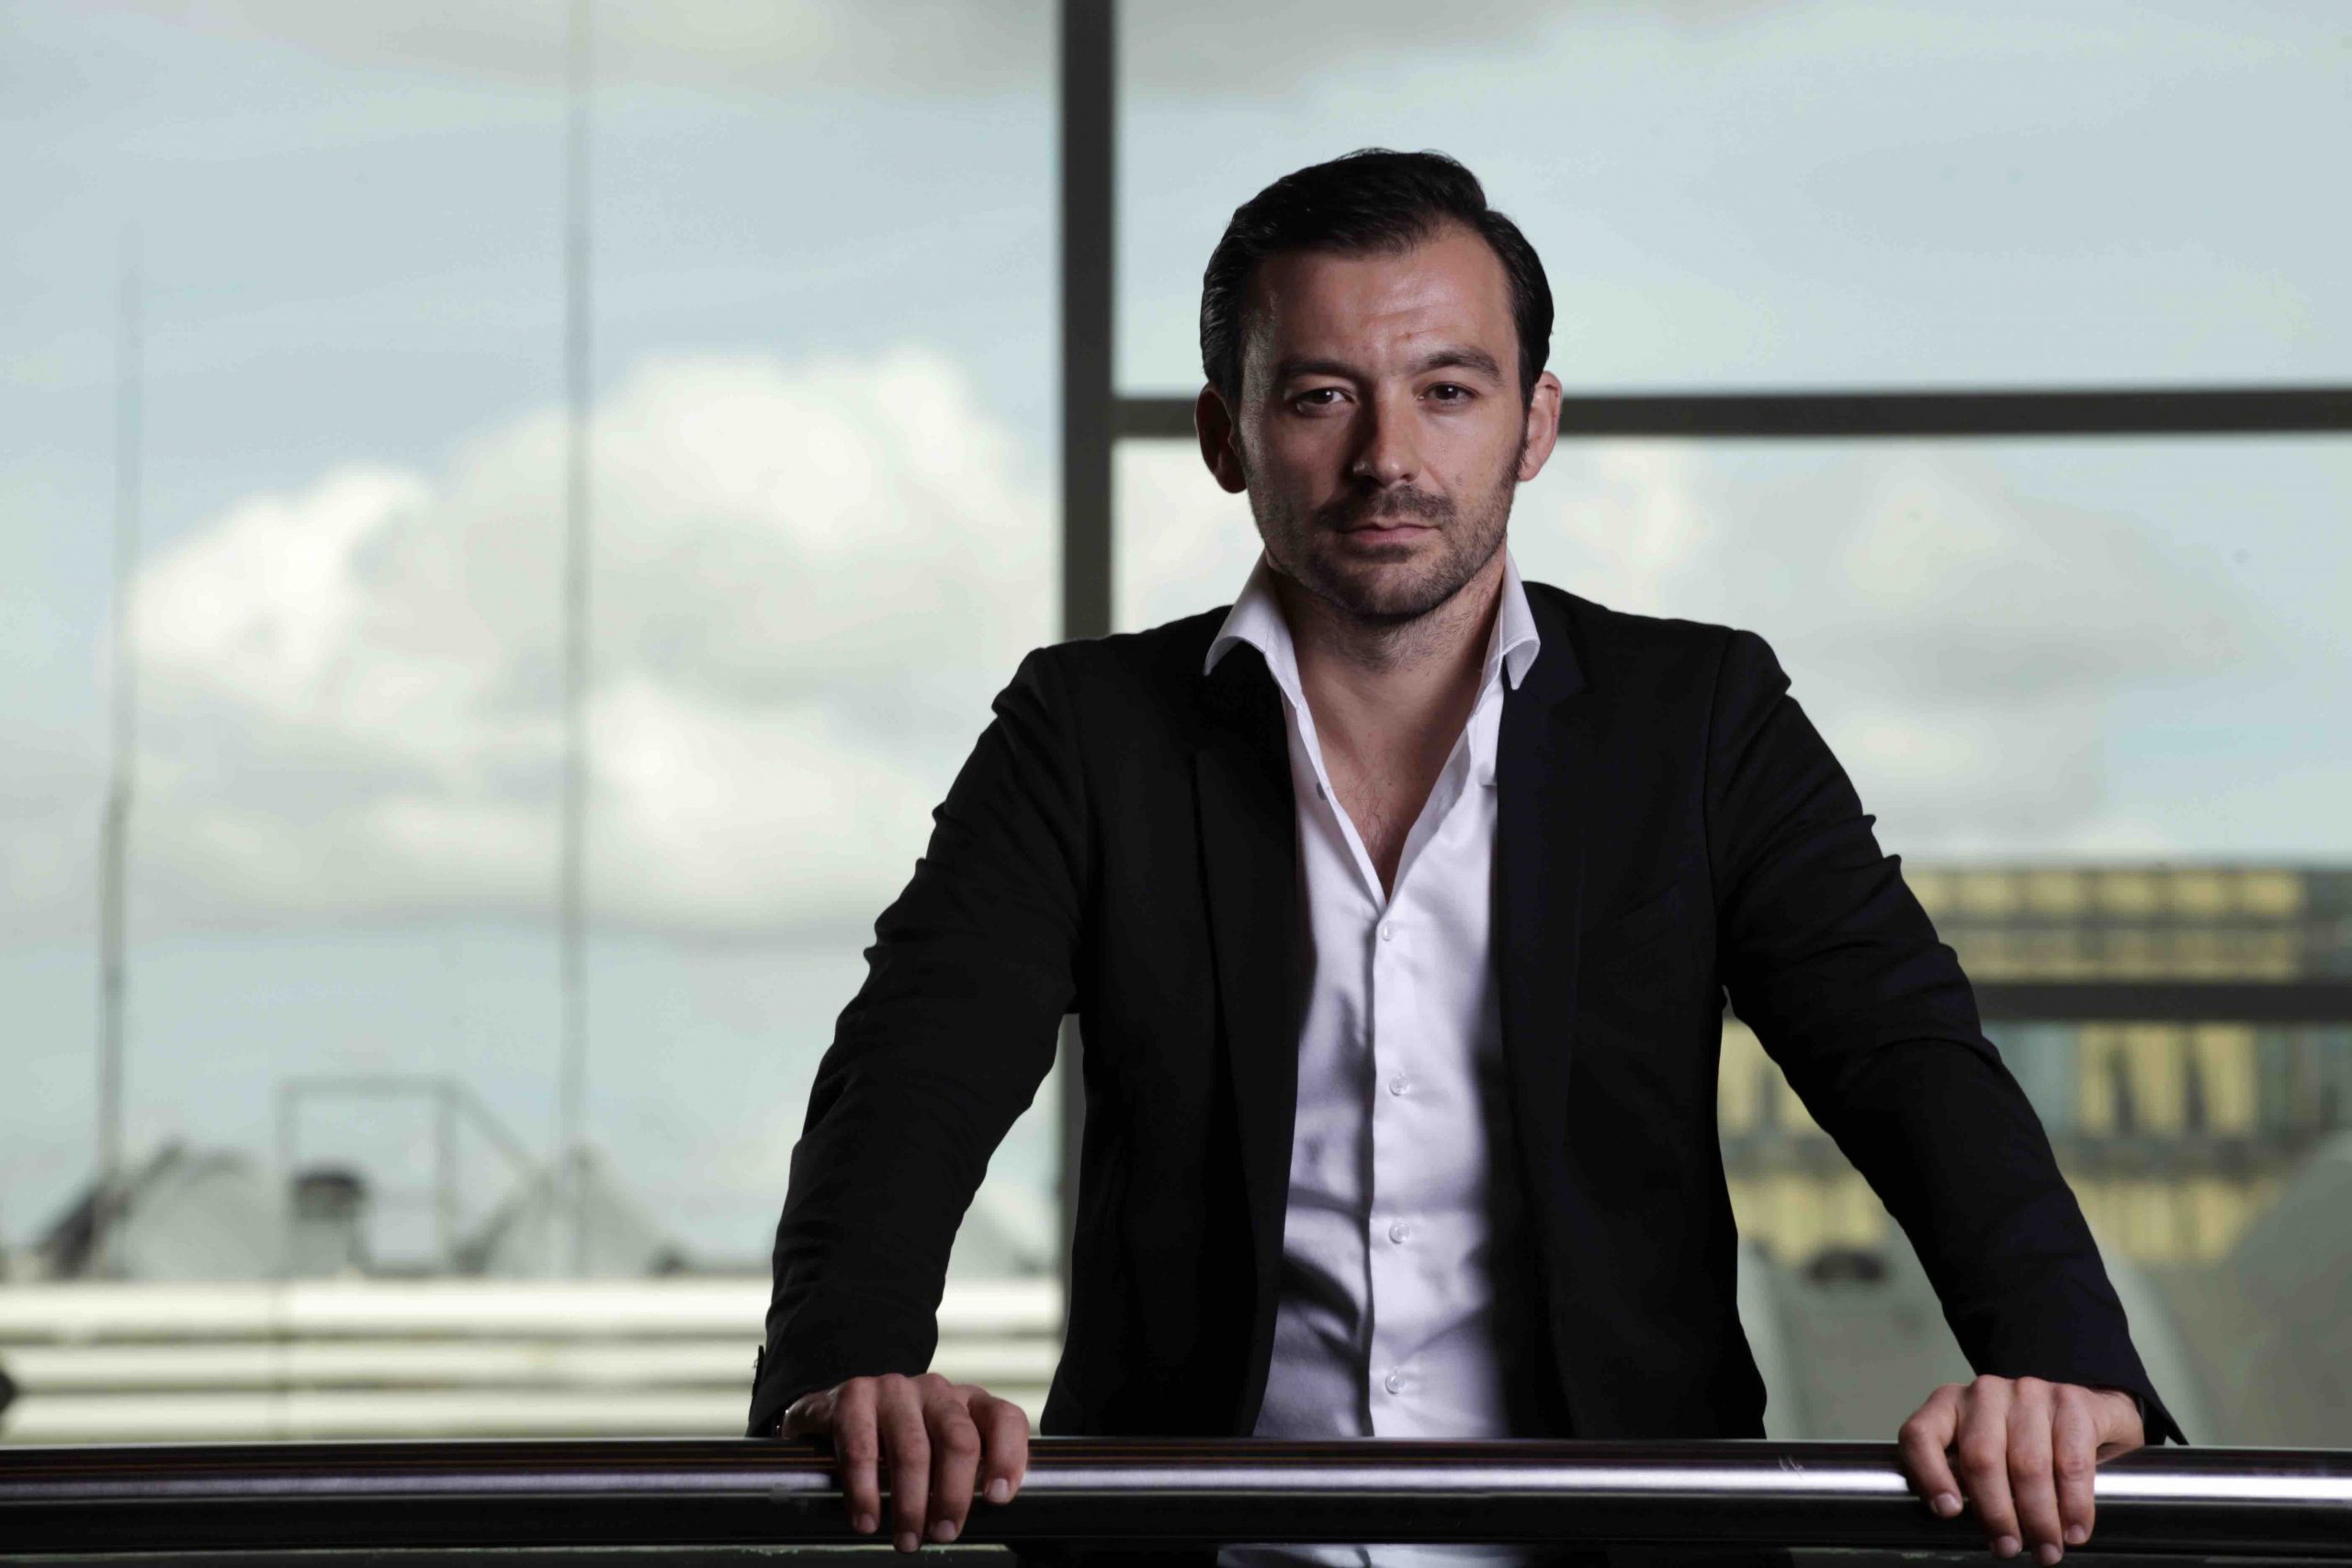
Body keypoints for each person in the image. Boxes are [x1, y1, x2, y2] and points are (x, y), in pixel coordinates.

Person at [747, 150, 2177, 1567]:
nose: (1389, 458)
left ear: (1534, 422)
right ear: (1226, 435)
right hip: (1196, 1554)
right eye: (1320, 397)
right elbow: (915, 1065)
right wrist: (849, 1363)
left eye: (1448, 391)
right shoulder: (1086, 733)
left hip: (1625, 1562)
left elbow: (1903, 1050)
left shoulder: (1701, 720)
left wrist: (2061, 1360)